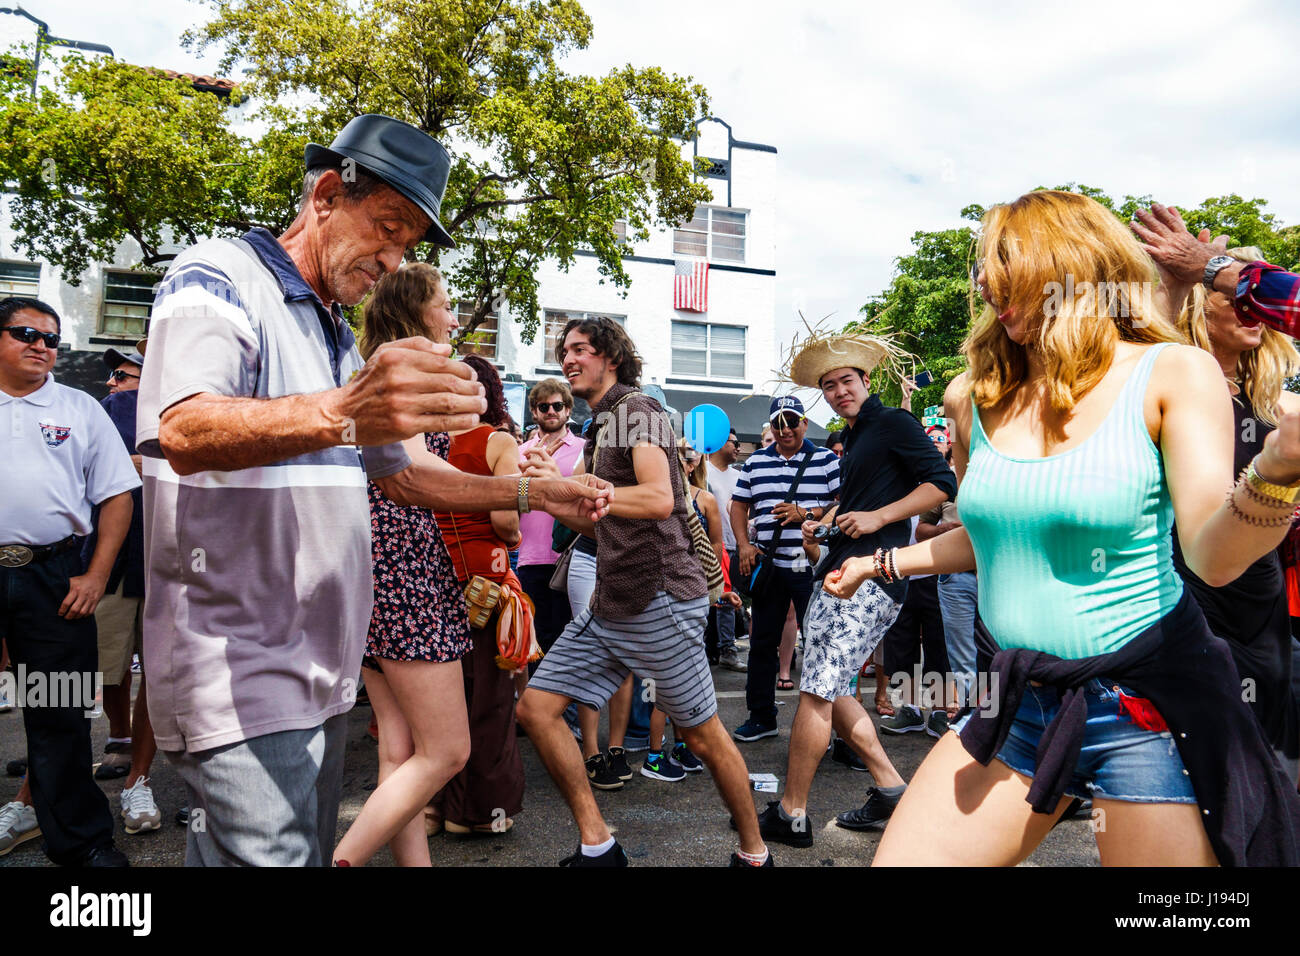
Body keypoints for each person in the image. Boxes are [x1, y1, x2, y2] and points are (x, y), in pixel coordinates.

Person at [136, 114, 612, 867]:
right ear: (326, 194)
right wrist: (341, 410)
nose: (393, 261)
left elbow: (403, 475)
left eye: (408, 247)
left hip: (319, 666)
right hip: (241, 666)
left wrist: (535, 494)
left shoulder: (334, 328)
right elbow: (184, 429)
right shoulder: (219, 274)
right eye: (387, 230)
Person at [828, 189, 1300, 866]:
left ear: (1072, 265)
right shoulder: (977, 396)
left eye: (1004, 260)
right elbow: (996, 536)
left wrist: (1279, 466)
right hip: (1020, 701)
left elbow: (1215, 557)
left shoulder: (1172, 372)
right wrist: (881, 565)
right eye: (983, 269)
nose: (986, 280)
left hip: (1145, 709)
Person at [518, 315, 772, 867]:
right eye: (564, 351)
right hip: (612, 599)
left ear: (610, 355)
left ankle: (755, 853)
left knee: (702, 737)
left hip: (660, 598)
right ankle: (598, 844)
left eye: (580, 349)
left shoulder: (640, 410)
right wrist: (546, 490)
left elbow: (658, 499)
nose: (568, 359)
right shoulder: (601, 423)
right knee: (536, 708)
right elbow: (593, 523)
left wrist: (576, 489)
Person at [751, 334, 954, 849]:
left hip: (869, 579)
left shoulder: (892, 422)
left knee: (816, 692)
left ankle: (793, 813)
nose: (839, 390)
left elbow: (941, 484)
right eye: (829, 385)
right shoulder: (857, 436)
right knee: (834, 688)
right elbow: (865, 504)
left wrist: (879, 517)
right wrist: (831, 524)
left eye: (846, 381)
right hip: (844, 571)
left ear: (866, 381)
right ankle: (888, 787)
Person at [0, 296, 138, 867]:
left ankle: (81, 844)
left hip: (53, 576)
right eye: (27, 333)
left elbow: (117, 495)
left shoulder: (81, 407)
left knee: (58, 712)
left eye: (52, 339)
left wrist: (96, 575)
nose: (42, 346)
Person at [1169, 247, 1300, 781]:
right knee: (1199, 732)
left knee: (1269, 734)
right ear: (1200, 309)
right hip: (1183, 578)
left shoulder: (1281, 406)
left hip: (1261, 589)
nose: (1255, 313)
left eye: (1260, 306)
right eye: (1236, 300)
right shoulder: (1169, 396)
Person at [433, 355, 527, 834]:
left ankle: (430, 808)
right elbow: (505, 518)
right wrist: (512, 542)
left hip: (430, 576)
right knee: (488, 698)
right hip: (484, 582)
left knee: (436, 700)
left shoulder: (425, 441)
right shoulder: (497, 440)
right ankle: (474, 815)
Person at [83, 343, 165, 834]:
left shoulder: (173, 402)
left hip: (159, 560)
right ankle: (121, 744)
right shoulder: (99, 410)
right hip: (111, 561)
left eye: (123, 375)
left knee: (149, 672)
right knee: (106, 665)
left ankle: (139, 774)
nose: (114, 384)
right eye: (112, 377)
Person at [730, 396, 840, 742]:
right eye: (778, 423)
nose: (785, 429)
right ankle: (762, 716)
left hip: (813, 566)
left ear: (805, 424)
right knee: (762, 642)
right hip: (771, 565)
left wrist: (805, 515)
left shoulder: (825, 459)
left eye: (792, 421)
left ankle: (837, 730)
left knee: (823, 644)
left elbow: (844, 506)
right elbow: (739, 507)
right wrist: (744, 546)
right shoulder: (756, 462)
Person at [706, 427, 746, 671]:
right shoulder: (703, 471)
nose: (739, 448)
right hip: (711, 545)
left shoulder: (739, 475)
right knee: (712, 600)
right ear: (720, 443)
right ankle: (713, 649)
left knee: (731, 600)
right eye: (735, 442)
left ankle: (726, 649)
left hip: (736, 546)